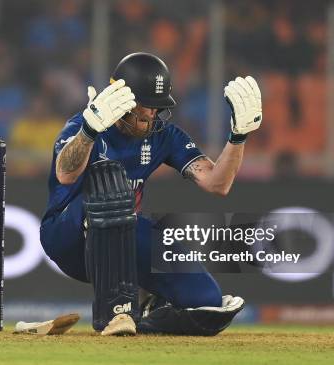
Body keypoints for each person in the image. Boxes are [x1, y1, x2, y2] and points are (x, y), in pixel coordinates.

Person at [40, 52, 262, 335]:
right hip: (67, 237)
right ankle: (114, 313)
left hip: (125, 235)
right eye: (147, 106)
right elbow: (65, 174)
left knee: (207, 301)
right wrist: (88, 130)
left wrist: (238, 137)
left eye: (158, 107)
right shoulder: (84, 125)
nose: (153, 114)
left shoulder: (163, 135)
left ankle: (146, 314)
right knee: (112, 190)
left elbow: (218, 184)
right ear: (125, 103)